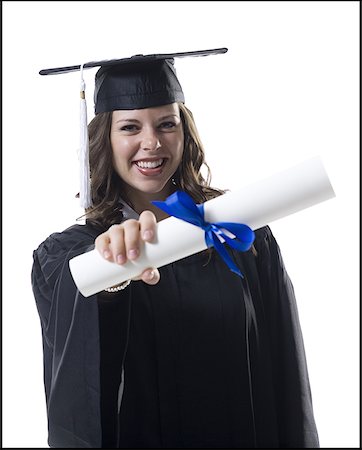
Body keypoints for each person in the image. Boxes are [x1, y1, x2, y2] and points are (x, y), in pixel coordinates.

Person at [31, 48, 320, 448]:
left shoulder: (234, 232)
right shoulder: (73, 254)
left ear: (185, 131)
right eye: (130, 128)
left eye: (166, 123)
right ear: (104, 139)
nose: (152, 142)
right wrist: (111, 274)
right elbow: (78, 377)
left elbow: (285, 373)